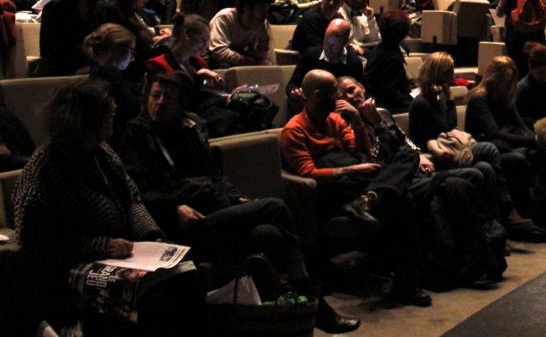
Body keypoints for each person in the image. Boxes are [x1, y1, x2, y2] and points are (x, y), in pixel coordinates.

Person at [115, 73, 361, 333]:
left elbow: (215, 175)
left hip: (215, 210)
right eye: (156, 96)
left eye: (169, 98)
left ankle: (287, 313)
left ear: (180, 103)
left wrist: (236, 197)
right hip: (181, 222)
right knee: (276, 208)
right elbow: (137, 191)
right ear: (146, 99)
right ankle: (317, 306)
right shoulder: (135, 133)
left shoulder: (187, 129)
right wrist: (173, 207)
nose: (161, 102)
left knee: (272, 234)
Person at [11, 79, 191, 334]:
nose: (115, 114)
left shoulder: (102, 152)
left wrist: (152, 236)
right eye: (109, 113)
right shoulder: (45, 169)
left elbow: (132, 200)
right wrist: (101, 245)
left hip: (122, 252)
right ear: (87, 120)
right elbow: (34, 241)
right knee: (154, 294)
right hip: (71, 266)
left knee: (184, 275)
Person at [279, 69, 432, 307]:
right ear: (319, 95)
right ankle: (407, 284)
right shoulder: (294, 130)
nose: (338, 96)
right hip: (333, 188)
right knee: (404, 198)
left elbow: (361, 152)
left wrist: (359, 121)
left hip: (357, 179)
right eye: (333, 92)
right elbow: (308, 175)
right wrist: (352, 170)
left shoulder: (336, 119)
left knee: (408, 156)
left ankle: (369, 198)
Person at [146, 13, 225, 112]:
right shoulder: (157, 64)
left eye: (207, 41)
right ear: (186, 35)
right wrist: (198, 77)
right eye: (202, 40)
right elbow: (174, 99)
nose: (206, 46)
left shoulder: (199, 62)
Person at [40, 0, 102, 76]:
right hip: (65, 68)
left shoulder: (100, 8)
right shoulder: (53, 9)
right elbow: (48, 51)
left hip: (95, 65)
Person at [287, 18, 364, 110]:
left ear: (345, 42)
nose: (328, 48)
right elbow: (292, 84)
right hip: (312, 109)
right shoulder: (310, 54)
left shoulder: (353, 63)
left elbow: (360, 91)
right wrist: (294, 92)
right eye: (326, 42)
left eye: (333, 46)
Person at [208, 0, 272, 67]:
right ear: (246, 8)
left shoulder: (261, 22)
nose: (266, 15)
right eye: (262, 11)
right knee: (225, 66)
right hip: (214, 57)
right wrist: (251, 63)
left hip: (239, 54)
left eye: (267, 11)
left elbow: (261, 57)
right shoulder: (225, 17)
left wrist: (264, 40)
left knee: (267, 65)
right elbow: (218, 51)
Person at [363, 10, 414, 112]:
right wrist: (412, 103)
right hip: (386, 106)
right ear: (403, 34)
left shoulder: (380, 48)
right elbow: (391, 93)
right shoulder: (392, 57)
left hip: (381, 101)